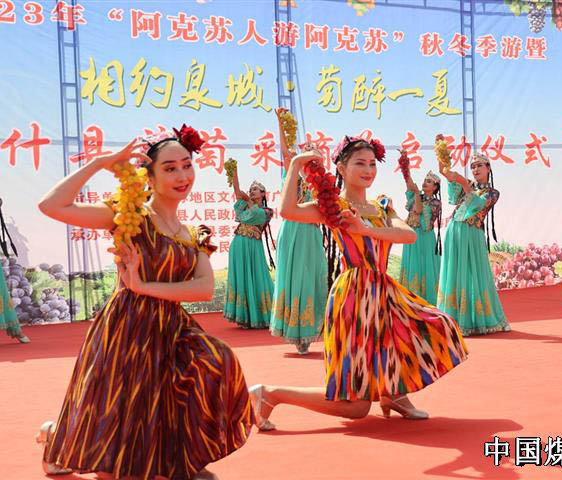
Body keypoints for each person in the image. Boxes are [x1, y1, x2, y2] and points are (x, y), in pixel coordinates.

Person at [36, 125, 254, 480]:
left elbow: (203, 289)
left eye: (187, 166)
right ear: (149, 177)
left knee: (218, 360)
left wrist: (144, 285)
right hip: (127, 328)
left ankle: (179, 454)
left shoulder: (195, 233)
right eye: (170, 168)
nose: (182, 176)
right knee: (113, 443)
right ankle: (55, 437)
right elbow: (51, 206)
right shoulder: (130, 216)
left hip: (172, 329)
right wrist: (99, 162)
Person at [249, 136, 468, 430]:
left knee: (435, 327)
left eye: (372, 164)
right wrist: (296, 164)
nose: (368, 170)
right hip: (354, 295)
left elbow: (408, 235)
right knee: (356, 408)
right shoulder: (333, 206)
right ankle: (270, 394)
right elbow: (289, 211)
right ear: (341, 168)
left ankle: (392, 394)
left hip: (385, 290)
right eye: (360, 163)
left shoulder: (381, 206)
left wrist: (365, 228)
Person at [269, 108, 328, 354]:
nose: (311, 151)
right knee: (292, 277)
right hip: (292, 230)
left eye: (315, 150)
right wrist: (281, 123)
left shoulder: (322, 181)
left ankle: (308, 330)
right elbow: (286, 151)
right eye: (308, 149)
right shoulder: (292, 171)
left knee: (310, 277)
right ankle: (294, 330)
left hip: (311, 232)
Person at [437, 148, 510, 336]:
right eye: (473, 167)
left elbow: (476, 205)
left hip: (472, 234)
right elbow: (447, 178)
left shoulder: (492, 193)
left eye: (479, 166)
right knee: (454, 272)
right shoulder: (468, 184)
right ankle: (453, 318)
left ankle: (476, 320)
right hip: (454, 231)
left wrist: (463, 183)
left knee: (475, 274)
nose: (475, 169)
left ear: (488, 168)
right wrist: (442, 155)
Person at [223, 165, 275, 329]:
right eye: (251, 189)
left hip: (253, 248)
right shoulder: (244, 205)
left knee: (256, 277)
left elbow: (257, 215)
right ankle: (244, 317)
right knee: (241, 278)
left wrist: (248, 200)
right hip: (238, 245)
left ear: (263, 193)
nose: (252, 191)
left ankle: (260, 315)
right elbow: (238, 192)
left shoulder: (267, 211)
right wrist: (234, 172)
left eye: (255, 189)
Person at [399, 170, 442, 305]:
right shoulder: (416, 197)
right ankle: (410, 301)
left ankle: (427, 302)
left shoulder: (436, 203)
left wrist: (417, 193)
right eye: (424, 180)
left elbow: (418, 210)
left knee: (425, 266)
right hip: (412, 235)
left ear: (435, 187)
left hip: (425, 238)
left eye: (429, 182)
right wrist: (405, 168)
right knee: (412, 265)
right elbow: (409, 185)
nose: (425, 183)